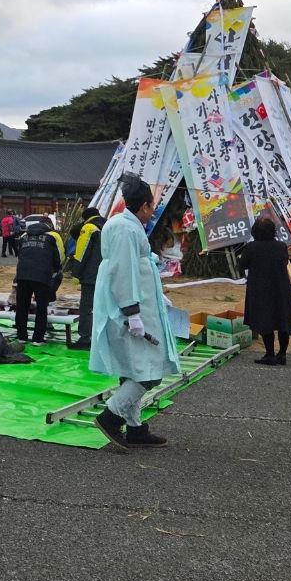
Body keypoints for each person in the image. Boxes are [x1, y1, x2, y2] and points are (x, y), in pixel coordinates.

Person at [90, 177, 182, 450]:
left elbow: (135, 269)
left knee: (136, 368)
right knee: (147, 371)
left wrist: (156, 295)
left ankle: (136, 428)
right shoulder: (124, 229)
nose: (153, 211)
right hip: (129, 309)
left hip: (138, 306)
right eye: (151, 206)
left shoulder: (127, 226)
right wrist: (132, 313)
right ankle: (111, 416)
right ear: (143, 206)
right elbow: (123, 271)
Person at [237, 217, 291, 365]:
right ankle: (282, 354)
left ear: (255, 231)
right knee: (282, 320)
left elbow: (242, 266)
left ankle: (269, 354)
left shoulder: (251, 247)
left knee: (265, 320)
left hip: (260, 290)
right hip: (281, 288)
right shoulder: (281, 246)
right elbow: (284, 262)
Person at [14, 218, 62, 343]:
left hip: (23, 275)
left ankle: (21, 336)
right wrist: (56, 271)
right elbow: (57, 260)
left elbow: (20, 255)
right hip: (41, 276)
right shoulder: (51, 238)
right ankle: (38, 338)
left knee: (22, 306)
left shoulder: (24, 238)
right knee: (41, 308)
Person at [68, 207, 106, 351]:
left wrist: (76, 274)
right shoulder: (107, 226)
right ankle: (101, 338)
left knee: (87, 308)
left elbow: (82, 252)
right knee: (102, 307)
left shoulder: (88, 228)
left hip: (91, 275)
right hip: (106, 274)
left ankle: (85, 339)